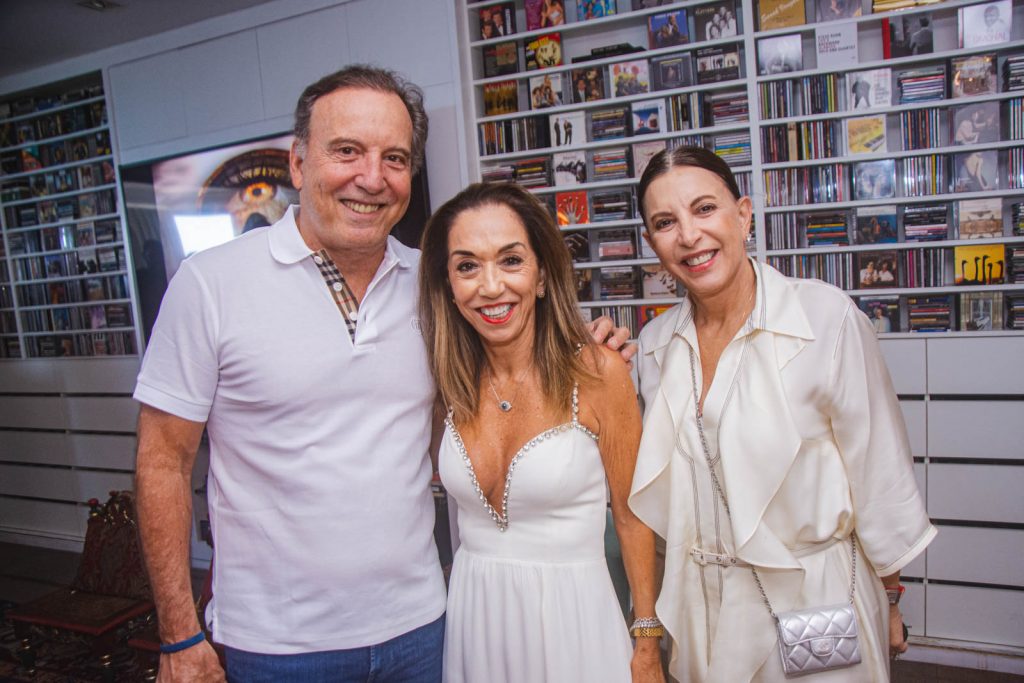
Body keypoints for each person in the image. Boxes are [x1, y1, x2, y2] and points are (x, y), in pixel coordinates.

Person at [134, 65, 632, 683]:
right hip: (276, 645)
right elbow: (162, 462)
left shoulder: (437, 285)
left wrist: (587, 345)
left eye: (394, 157)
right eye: (347, 151)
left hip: (423, 628)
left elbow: (515, 354)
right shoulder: (209, 285)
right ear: (296, 162)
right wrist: (179, 633)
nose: (371, 177)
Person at [628, 146, 935, 682]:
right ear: (653, 245)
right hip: (704, 611)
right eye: (665, 222)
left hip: (814, 597)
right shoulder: (655, 346)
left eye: (705, 209)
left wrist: (891, 597)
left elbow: (880, 471)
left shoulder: (825, 317)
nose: (689, 235)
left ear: (743, 214)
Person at [418, 182, 664, 683]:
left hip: (573, 625)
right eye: (467, 266)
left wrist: (646, 643)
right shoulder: (447, 383)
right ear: (447, 284)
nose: (490, 287)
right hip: (476, 623)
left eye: (510, 261)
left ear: (543, 275)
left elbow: (633, 517)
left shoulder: (600, 373)